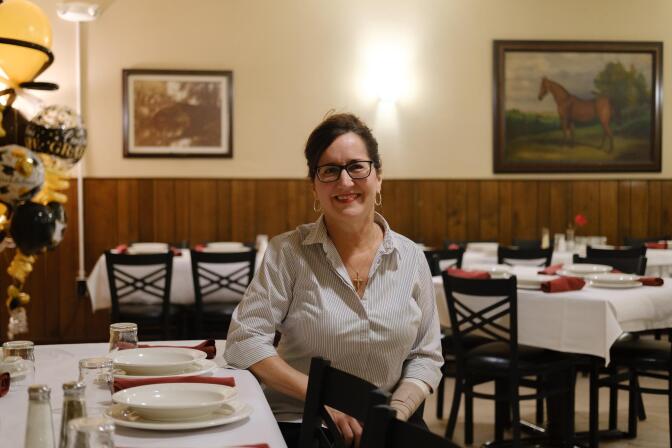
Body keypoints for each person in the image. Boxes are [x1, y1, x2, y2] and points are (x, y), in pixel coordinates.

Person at [224, 112, 442, 448]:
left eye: (357, 167)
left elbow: (426, 356)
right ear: (314, 184)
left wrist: (394, 414)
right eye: (329, 170)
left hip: (389, 422)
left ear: (378, 176)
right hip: (304, 419)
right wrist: (322, 398)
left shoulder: (411, 257)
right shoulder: (288, 253)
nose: (345, 182)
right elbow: (244, 341)